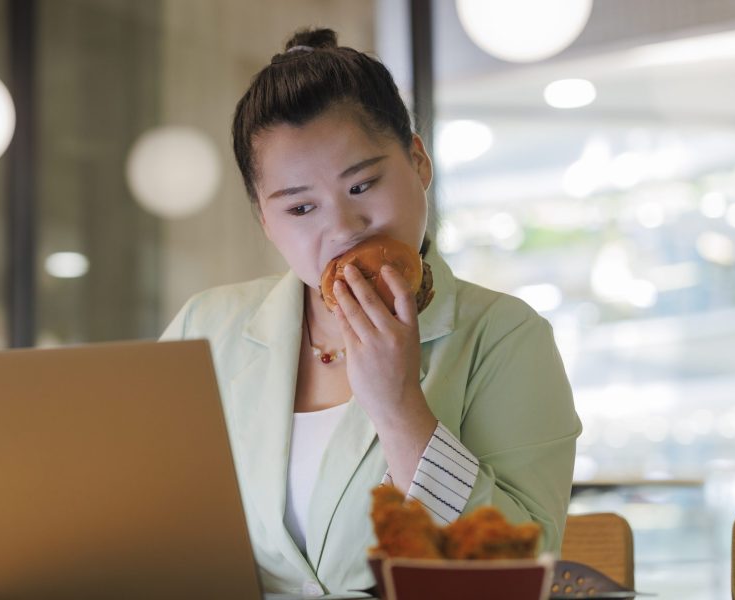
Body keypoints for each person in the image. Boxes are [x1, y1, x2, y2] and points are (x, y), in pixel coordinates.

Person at [159, 27, 581, 595]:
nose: (341, 228)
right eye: (301, 207)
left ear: (418, 161)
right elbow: (146, 524)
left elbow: (512, 577)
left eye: (362, 186)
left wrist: (399, 406)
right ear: (265, 220)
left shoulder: (504, 337)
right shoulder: (205, 329)